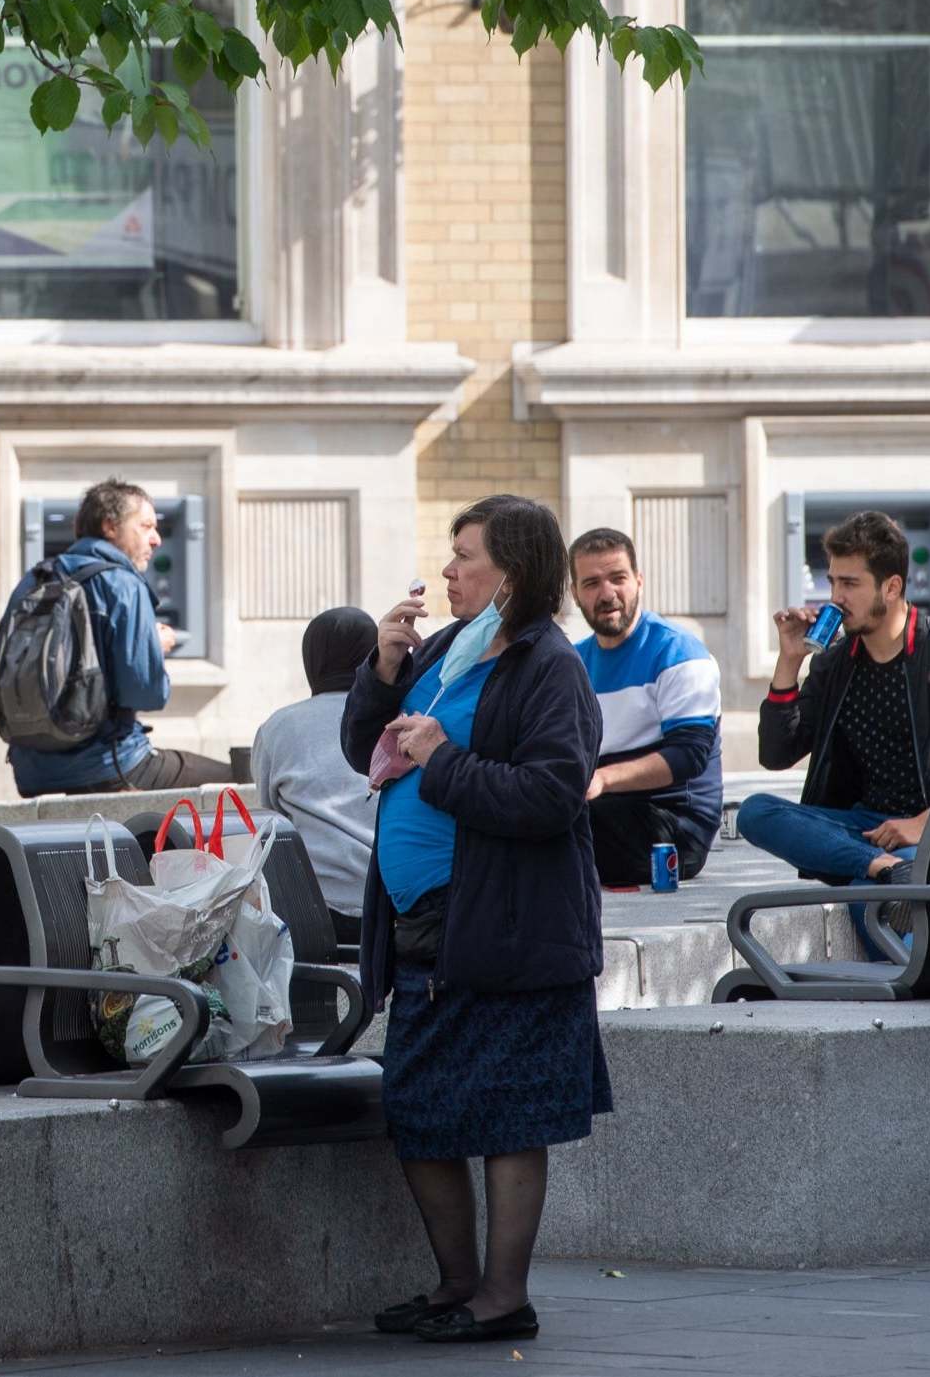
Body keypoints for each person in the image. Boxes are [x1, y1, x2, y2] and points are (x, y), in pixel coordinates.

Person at [341, 495, 608, 1345]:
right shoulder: (448, 651)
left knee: (507, 1116)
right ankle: (456, 1283)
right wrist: (381, 670)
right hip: (427, 923)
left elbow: (550, 794)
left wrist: (445, 761)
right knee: (418, 1106)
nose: (449, 570)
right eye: (451, 555)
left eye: (466, 556)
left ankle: (502, 1293)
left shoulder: (547, 666)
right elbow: (368, 750)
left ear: (514, 574)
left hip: (507, 924)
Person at [739, 509, 930, 959]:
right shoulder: (834, 662)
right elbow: (776, 753)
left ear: (892, 586)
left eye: (850, 584)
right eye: (832, 583)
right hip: (866, 834)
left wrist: (922, 822)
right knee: (755, 812)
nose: (836, 598)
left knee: (865, 899)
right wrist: (788, 661)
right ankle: (886, 871)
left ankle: (899, 901)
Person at [0, 479, 233, 797]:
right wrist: (153, 647)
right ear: (110, 526)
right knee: (239, 784)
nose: (157, 539)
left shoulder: (31, 581)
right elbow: (145, 693)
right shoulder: (123, 583)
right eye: (146, 526)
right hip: (111, 766)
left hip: (30, 775)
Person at [568, 528, 723, 886]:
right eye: (591, 583)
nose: (607, 594)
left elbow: (688, 756)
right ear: (575, 594)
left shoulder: (679, 653)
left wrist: (603, 779)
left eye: (617, 578)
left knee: (568, 823)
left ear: (639, 581)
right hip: (599, 808)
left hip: (673, 827)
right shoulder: (570, 664)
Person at [251, 606, 379, 945]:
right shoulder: (400, 717)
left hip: (311, 907)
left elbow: (271, 815)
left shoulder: (278, 727)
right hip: (390, 903)